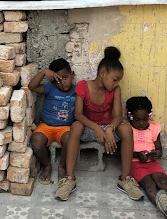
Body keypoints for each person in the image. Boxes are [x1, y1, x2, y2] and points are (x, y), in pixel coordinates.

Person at [55, 46, 143, 201]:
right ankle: (69, 179)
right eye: (115, 79)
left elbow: (118, 116)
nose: (116, 84)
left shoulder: (115, 90)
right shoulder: (83, 86)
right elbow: (78, 114)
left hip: (108, 129)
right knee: (75, 126)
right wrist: (95, 127)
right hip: (89, 128)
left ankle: (125, 179)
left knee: (126, 129)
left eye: (118, 81)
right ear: (103, 73)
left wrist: (110, 129)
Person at [28, 58, 76, 184]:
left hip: (65, 127)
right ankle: (47, 165)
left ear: (72, 75)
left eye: (65, 77)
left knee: (70, 139)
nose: (63, 83)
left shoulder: (77, 91)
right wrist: (44, 72)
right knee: (36, 141)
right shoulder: (50, 88)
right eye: (58, 80)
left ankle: (62, 166)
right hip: (46, 125)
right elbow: (31, 86)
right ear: (53, 80)